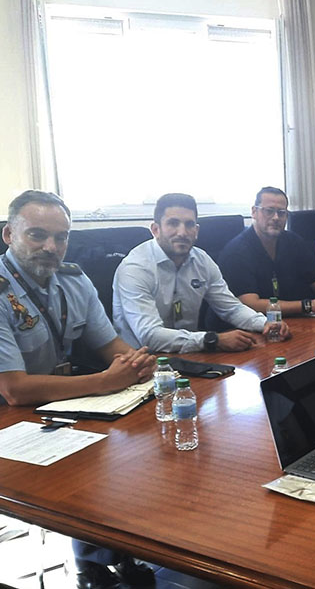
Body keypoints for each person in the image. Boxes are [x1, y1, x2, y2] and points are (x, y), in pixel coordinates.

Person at [0, 190, 158, 589]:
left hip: (54, 401)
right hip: (8, 412)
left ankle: (108, 554)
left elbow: (110, 346)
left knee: (129, 447)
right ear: (9, 235)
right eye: (37, 235)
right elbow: (14, 389)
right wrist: (105, 382)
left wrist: (137, 363)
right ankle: (93, 563)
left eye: (61, 237)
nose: (51, 247)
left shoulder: (73, 279)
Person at [112, 193, 289, 353]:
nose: (182, 232)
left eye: (189, 225)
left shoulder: (201, 260)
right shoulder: (135, 268)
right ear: (155, 229)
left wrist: (266, 323)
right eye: (173, 223)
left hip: (191, 353)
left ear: (196, 231)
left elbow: (231, 308)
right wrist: (213, 340)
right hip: (141, 361)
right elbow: (149, 336)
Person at [211, 186, 315, 327]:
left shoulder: (293, 241)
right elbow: (250, 304)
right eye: (269, 211)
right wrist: (306, 306)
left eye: (281, 213)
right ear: (254, 212)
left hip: (296, 324)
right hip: (251, 329)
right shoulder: (237, 252)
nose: (276, 218)